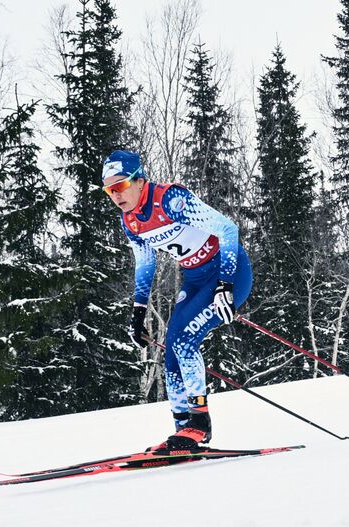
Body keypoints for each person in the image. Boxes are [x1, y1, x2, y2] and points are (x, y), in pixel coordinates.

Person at [101, 149, 253, 452]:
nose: (115, 195)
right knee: (171, 352)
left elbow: (227, 228)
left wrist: (224, 285)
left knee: (184, 343)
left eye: (120, 186)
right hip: (195, 280)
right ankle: (183, 429)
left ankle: (199, 423)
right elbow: (145, 262)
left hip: (229, 274)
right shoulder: (130, 220)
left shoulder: (169, 200)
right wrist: (138, 310)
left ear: (139, 180)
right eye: (109, 190)